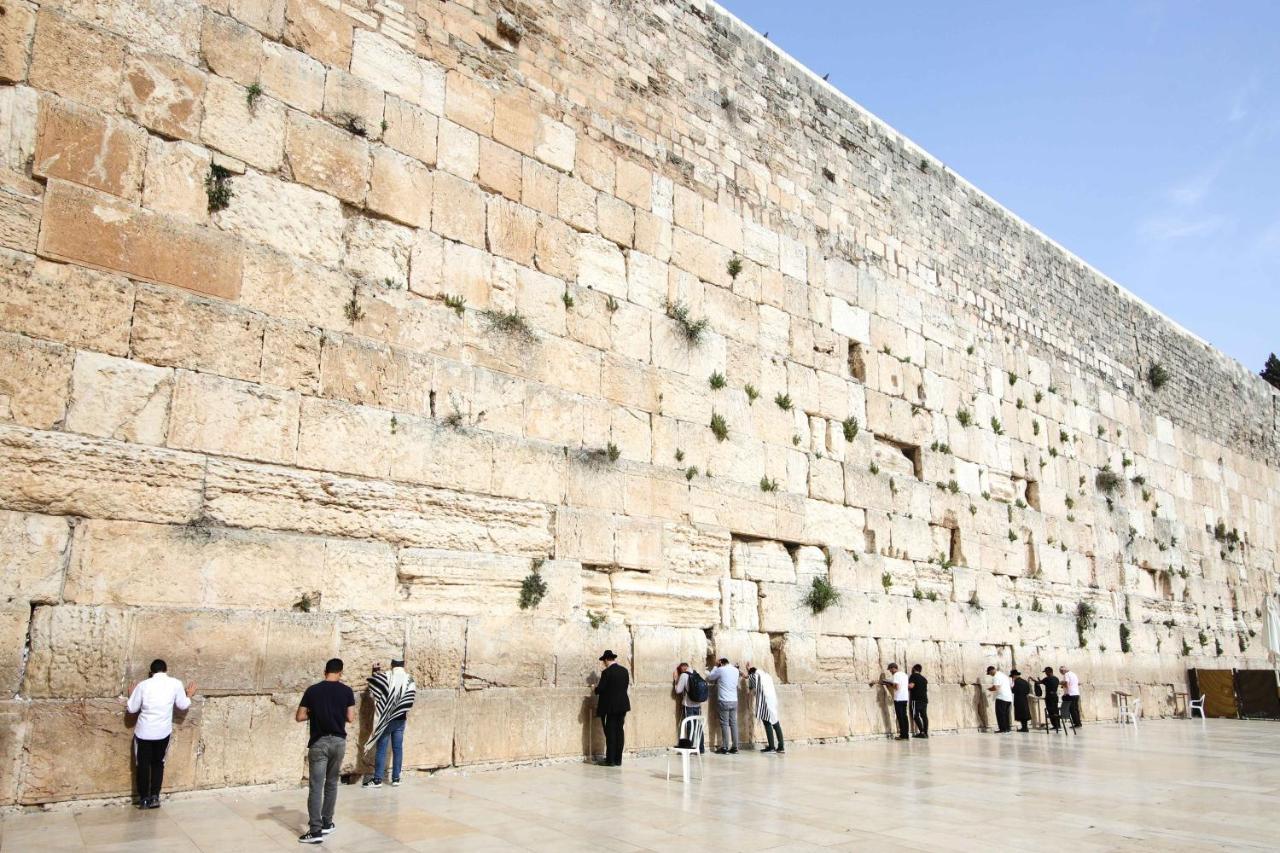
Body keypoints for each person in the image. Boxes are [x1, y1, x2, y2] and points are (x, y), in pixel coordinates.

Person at [297, 658, 356, 844]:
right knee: (331, 783)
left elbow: (299, 716)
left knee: (316, 786)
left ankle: (315, 831)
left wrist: (314, 713)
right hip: (339, 742)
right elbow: (350, 718)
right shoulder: (346, 691)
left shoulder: (312, 691)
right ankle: (327, 822)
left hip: (319, 742)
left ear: (325, 671)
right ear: (340, 672)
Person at [125, 659, 196, 809]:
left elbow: (131, 709)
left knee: (142, 765)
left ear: (151, 672)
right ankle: (155, 797)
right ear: (166, 670)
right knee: (158, 763)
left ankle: (144, 799)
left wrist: (132, 695)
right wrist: (189, 695)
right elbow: (182, 705)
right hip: (163, 732)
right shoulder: (175, 684)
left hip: (144, 732)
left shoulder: (143, 685)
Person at [362, 659, 416, 788]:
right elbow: (410, 697)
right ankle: (396, 778)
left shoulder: (386, 676)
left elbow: (375, 689)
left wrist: (375, 672)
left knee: (381, 749)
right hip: (400, 719)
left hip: (386, 719)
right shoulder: (409, 679)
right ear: (403, 665)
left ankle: (377, 780)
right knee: (398, 749)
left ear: (392, 665)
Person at [594, 650, 630, 766]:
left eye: (603, 661)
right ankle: (618, 760)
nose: (603, 663)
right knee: (619, 731)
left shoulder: (607, 673)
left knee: (610, 733)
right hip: (623, 706)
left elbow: (600, 689)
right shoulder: (624, 671)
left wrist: (594, 687)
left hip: (610, 707)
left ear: (605, 660)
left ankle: (610, 760)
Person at [745, 665, 784, 753]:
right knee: (776, 723)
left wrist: (747, 672)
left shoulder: (754, 676)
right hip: (772, 700)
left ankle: (771, 747)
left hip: (765, 702)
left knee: (767, 723)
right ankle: (781, 747)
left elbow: (751, 687)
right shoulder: (767, 676)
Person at [706, 658, 741, 754]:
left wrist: (715, 667)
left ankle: (725, 747)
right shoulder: (736, 670)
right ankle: (735, 747)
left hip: (724, 700)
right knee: (733, 724)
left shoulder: (720, 669)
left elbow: (710, 677)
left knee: (724, 724)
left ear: (721, 663)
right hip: (734, 700)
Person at [672, 662, 706, 753]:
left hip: (688, 705)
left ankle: (691, 748)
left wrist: (676, 680)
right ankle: (701, 748)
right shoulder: (696, 673)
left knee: (690, 726)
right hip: (698, 705)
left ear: (682, 668)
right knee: (698, 726)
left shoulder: (683, 675)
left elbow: (678, 691)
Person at [880, 663, 910, 741]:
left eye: (890, 669)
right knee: (904, 716)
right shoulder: (904, 675)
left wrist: (889, 685)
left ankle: (903, 736)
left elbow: (896, 687)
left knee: (900, 717)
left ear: (893, 668)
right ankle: (906, 735)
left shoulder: (896, 675)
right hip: (905, 697)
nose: (890, 671)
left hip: (898, 698)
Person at [987, 665, 1012, 733]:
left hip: (1001, 697)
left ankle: (1003, 729)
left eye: (989, 673)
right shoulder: (1003, 675)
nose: (990, 675)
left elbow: (996, 688)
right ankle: (1007, 729)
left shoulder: (996, 676)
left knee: (1000, 714)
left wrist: (989, 689)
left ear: (991, 671)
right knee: (1006, 714)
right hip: (1008, 698)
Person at [908, 664, 929, 738]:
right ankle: (926, 732)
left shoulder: (913, 676)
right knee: (924, 716)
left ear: (913, 669)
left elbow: (911, 686)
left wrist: (903, 685)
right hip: (924, 699)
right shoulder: (924, 679)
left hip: (916, 700)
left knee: (915, 715)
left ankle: (922, 732)